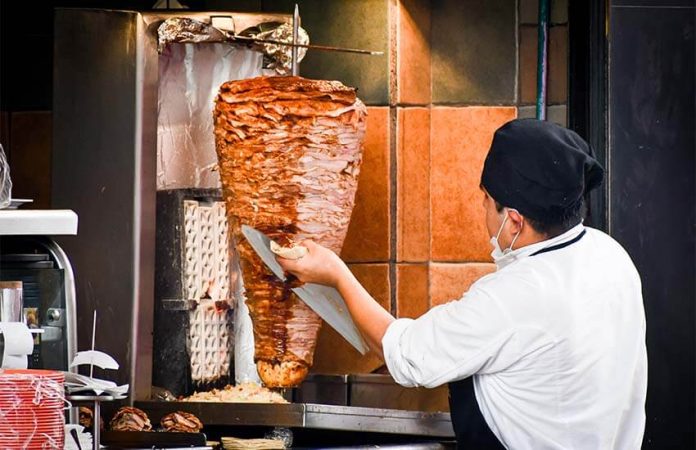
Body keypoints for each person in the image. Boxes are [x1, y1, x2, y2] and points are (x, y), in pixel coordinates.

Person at [277, 119, 647, 449]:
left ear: (515, 221)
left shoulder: (518, 294)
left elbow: (409, 357)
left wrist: (337, 275)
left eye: (487, 202)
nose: (484, 214)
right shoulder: (610, 255)